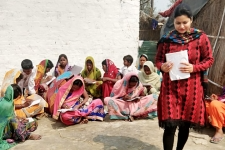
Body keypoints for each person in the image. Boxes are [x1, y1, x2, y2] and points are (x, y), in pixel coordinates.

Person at [155, 4, 214, 150]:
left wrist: (194, 67)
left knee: (184, 125)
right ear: (173, 22)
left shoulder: (200, 37)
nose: (181, 26)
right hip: (170, 88)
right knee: (170, 126)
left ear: (191, 20)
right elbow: (158, 60)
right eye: (178, 23)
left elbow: (209, 60)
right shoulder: (166, 39)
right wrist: (162, 66)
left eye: (185, 22)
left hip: (192, 88)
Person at [0, 84, 41, 150]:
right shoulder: (5, 104)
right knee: (14, 122)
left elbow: (12, 115)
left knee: (34, 122)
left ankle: (19, 133)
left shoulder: (8, 102)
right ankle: (27, 135)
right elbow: (9, 119)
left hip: (11, 127)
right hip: (3, 131)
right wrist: (18, 120)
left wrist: (20, 118)